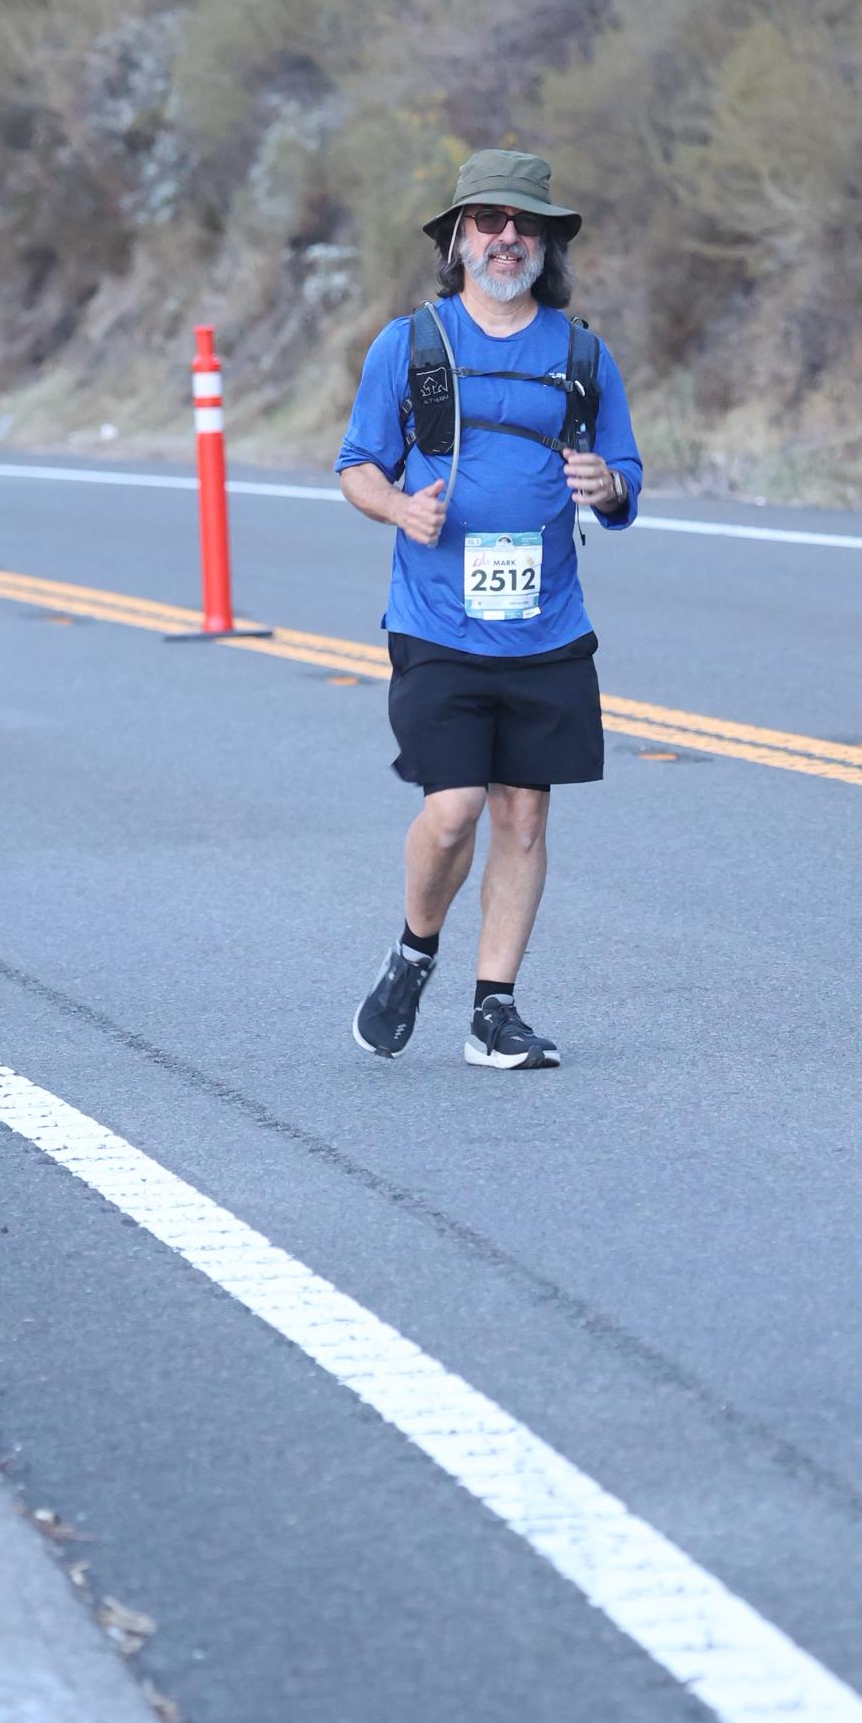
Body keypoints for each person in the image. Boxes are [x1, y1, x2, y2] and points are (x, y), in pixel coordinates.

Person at [335, 149, 642, 1071]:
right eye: (490, 221)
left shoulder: (582, 355)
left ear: (546, 244)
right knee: (454, 808)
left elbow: (625, 478)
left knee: (524, 817)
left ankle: (493, 1012)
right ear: (458, 240)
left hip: (548, 626)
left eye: (526, 224)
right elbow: (357, 465)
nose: (508, 238)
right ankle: (414, 949)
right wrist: (400, 507)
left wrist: (607, 486)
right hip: (437, 622)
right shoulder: (411, 345)